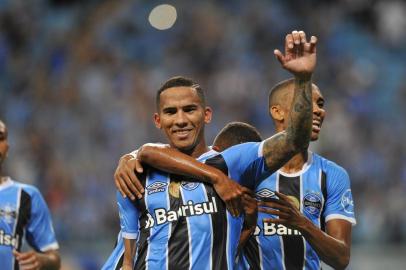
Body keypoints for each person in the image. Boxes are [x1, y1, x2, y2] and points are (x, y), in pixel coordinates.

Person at [114, 30, 317, 269]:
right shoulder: (137, 172)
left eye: (189, 109)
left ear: (206, 114)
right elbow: (128, 260)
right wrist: (216, 178)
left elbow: (296, 138)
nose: (180, 120)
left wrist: (303, 80)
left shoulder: (235, 162)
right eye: (171, 112)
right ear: (158, 120)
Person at [101, 121, 263, 270]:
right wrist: (132, 157)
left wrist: (247, 226)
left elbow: (219, 253)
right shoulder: (164, 171)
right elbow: (152, 152)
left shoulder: (240, 201)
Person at [238, 79, 356, 270]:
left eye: (321, 104)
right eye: (308, 103)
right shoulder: (246, 168)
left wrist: (302, 223)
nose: (318, 111)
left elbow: (341, 258)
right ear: (277, 112)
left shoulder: (332, 174)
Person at [0, 120, 61, 270]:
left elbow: (54, 258)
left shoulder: (27, 195)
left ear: (7, 148)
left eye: (0, 137)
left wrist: (42, 261)